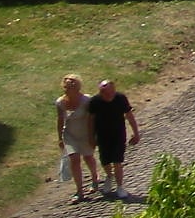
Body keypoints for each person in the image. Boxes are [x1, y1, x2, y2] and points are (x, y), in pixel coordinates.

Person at [86, 80, 139, 201]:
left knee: (117, 160)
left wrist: (136, 133)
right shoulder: (95, 101)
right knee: (105, 160)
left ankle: (120, 186)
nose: (108, 95)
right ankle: (109, 176)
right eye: (105, 93)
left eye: (110, 92)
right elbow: (91, 120)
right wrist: (91, 137)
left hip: (118, 134)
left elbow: (129, 115)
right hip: (102, 135)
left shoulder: (120, 98)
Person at [55, 74, 100, 203]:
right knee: (74, 159)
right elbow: (60, 120)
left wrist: (93, 135)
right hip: (70, 134)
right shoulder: (60, 102)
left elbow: (92, 118)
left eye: (70, 87)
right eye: (66, 87)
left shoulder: (86, 100)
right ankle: (79, 191)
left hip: (85, 133)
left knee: (88, 157)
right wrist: (59, 137)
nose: (67, 90)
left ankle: (94, 178)